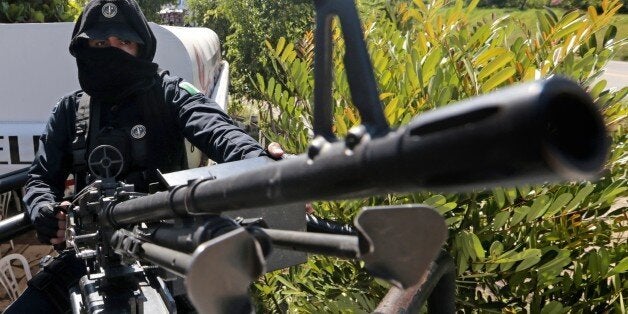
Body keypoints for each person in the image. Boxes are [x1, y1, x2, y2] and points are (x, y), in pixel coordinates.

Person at [5, 0, 284, 312]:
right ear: (83, 49)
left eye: (123, 42)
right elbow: (41, 179)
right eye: (99, 43)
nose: (111, 51)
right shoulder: (70, 111)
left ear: (141, 47)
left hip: (167, 251)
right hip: (88, 254)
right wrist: (44, 210)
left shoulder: (170, 93)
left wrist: (260, 162)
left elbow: (218, 129)